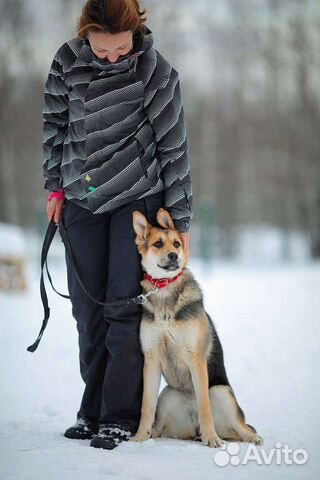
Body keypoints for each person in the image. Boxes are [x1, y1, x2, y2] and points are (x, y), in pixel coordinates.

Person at [43, 0, 193, 450]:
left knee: (123, 311)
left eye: (119, 48)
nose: (111, 56)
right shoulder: (67, 62)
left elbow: (174, 149)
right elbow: (53, 126)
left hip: (137, 202)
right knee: (87, 312)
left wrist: (180, 219)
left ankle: (119, 416)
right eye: (101, 49)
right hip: (80, 201)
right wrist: (54, 188)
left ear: (136, 33)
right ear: (85, 33)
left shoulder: (154, 71)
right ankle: (91, 410)